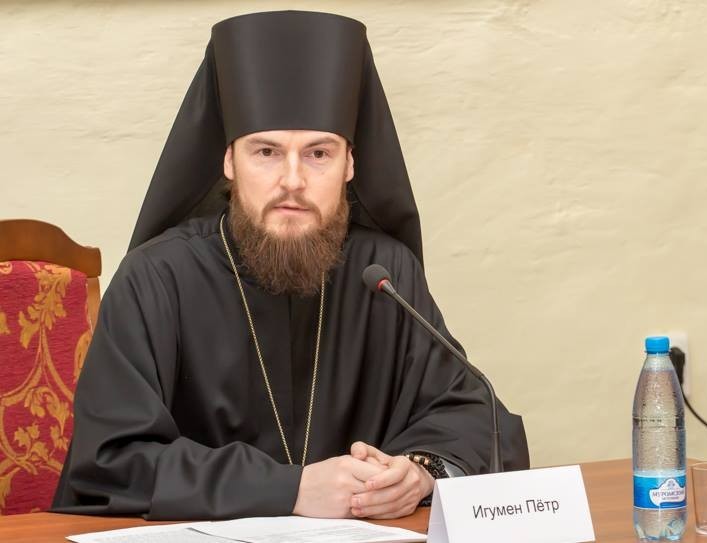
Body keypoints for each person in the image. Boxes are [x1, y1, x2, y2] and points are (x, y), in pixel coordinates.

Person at [53, 10, 528, 521]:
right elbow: (111, 461)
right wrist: (290, 489)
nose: (293, 181)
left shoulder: (384, 272)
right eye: (267, 152)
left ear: (350, 164)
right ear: (229, 161)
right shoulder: (155, 279)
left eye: (319, 154)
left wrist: (420, 470)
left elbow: (474, 416)